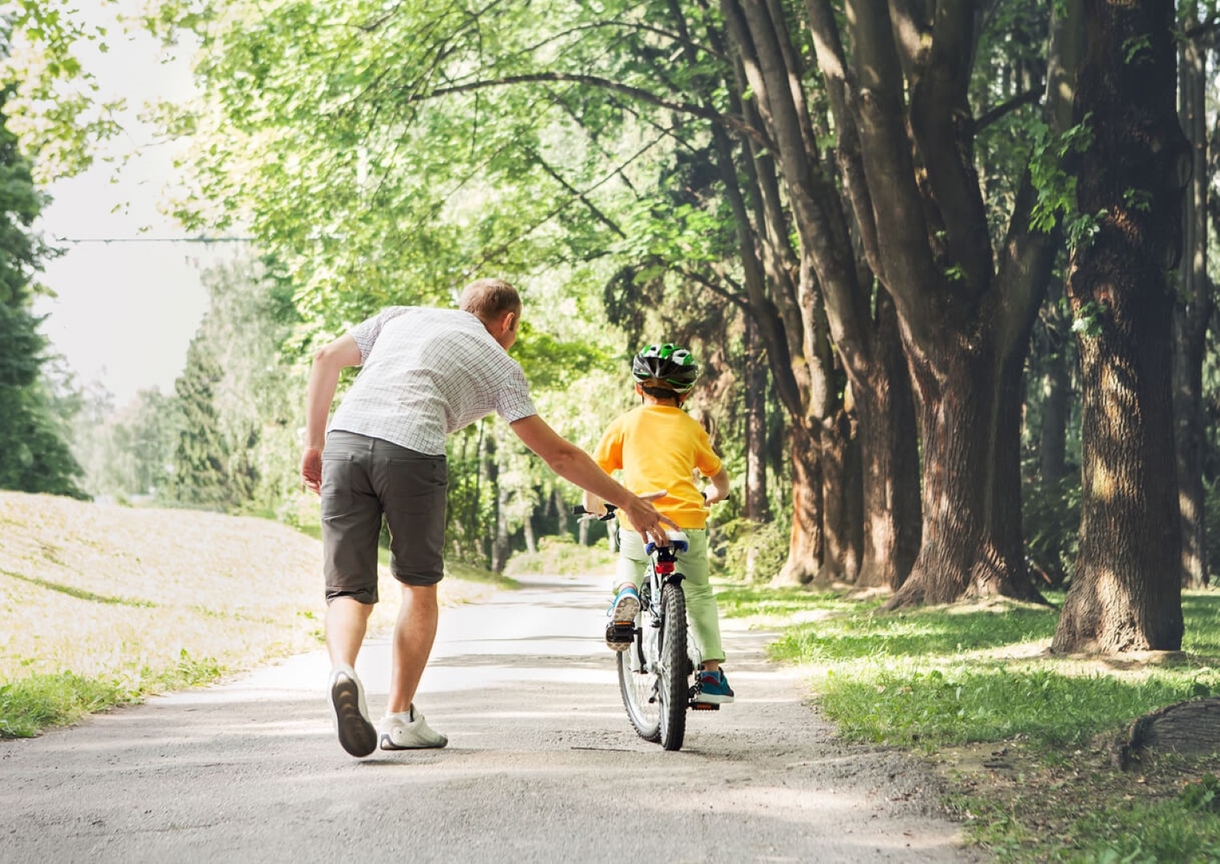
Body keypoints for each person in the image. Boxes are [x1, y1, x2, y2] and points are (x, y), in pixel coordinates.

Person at [301, 278, 676, 758]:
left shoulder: (401, 315)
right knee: (418, 586)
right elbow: (559, 456)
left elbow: (325, 358)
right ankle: (399, 717)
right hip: (412, 451)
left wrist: (314, 445)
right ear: (509, 322)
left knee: (348, 589)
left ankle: (343, 671)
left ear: (463, 307)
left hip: (346, 441)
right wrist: (628, 500)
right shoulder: (500, 363)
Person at [582, 343, 735, 705]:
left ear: (638, 388)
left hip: (639, 518)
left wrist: (595, 507)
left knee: (631, 559)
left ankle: (627, 593)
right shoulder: (692, 428)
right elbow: (718, 474)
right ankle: (711, 674)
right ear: (686, 393)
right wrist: (716, 494)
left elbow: (595, 474)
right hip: (687, 522)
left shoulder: (624, 424)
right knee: (698, 592)